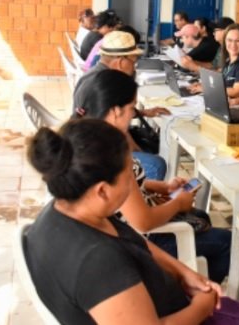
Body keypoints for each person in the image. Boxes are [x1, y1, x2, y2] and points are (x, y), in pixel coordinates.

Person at [25, 119, 223, 324]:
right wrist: (203, 305)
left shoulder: (66, 210)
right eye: (129, 176)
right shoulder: (99, 262)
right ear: (102, 191)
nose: (133, 185)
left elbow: (132, 241)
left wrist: (183, 273)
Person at [73, 69, 232, 283]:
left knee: (201, 217)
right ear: (115, 111)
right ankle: (193, 291)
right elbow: (143, 222)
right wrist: (178, 203)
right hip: (138, 244)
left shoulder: (87, 139)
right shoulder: (112, 154)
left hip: (117, 233)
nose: (134, 115)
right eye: (132, 108)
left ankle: (191, 275)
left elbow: (126, 187)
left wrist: (161, 187)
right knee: (227, 243)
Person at [73, 31, 170, 181]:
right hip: (95, 153)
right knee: (155, 164)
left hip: (85, 142)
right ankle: (139, 193)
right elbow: (118, 130)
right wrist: (138, 151)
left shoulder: (95, 74)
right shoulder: (109, 83)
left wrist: (143, 113)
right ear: (120, 61)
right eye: (133, 62)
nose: (134, 67)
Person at [190, 23, 239, 98]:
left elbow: (236, 92)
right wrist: (204, 85)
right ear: (225, 42)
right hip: (222, 101)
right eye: (229, 40)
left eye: (238, 41)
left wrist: (207, 89)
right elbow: (221, 83)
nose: (233, 45)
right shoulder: (228, 61)